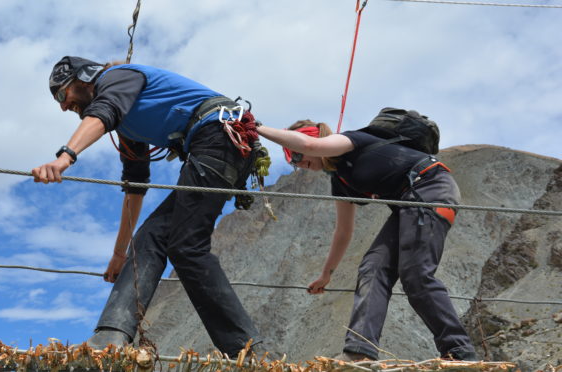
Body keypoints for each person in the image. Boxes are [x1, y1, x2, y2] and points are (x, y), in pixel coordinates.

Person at [32, 56, 261, 357]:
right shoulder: (129, 125)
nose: (64, 105)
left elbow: (104, 111)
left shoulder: (117, 78)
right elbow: (136, 186)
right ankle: (112, 336)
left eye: (63, 94)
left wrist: (65, 157)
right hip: (212, 148)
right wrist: (118, 254)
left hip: (218, 137)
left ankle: (248, 351)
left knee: (186, 247)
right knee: (150, 238)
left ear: (86, 78)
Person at [255, 118, 477, 361]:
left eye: (296, 156)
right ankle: (360, 351)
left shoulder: (351, 140)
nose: (300, 164)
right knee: (373, 267)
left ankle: (459, 350)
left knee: (415, 273)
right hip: (410, 202)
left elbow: (309, 146)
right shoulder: (340, 180)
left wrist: (257, 128)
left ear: (314, 140)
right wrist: (326, 274)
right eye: (292, 162)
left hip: (431, 188)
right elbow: (343, 231)